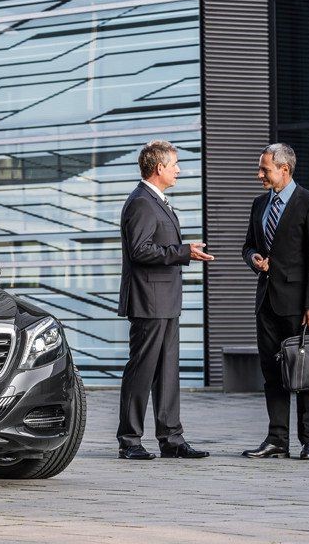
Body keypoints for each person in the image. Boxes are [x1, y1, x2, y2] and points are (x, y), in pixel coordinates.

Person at [116, 140, 213, 460]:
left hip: (165, 300)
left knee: (168, 370)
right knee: (142, 371)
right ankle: (130, 440)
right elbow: (140, 250)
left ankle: (171, 438)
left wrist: (183, 251)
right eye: (175, 165)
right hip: (149, 300)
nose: (179, 170)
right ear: (159, 168)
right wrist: (184, 252)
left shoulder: (155, 200)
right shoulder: (142, 202)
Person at [241, 143, 309, 461]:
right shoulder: (259, 204)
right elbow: (248, 245)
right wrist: (254, 259)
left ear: (284, 169)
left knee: (306, 372)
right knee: (271, 372)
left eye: (264, 169)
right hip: (266, 302)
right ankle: (277, 439)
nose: (259, 174)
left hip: (300, 305)